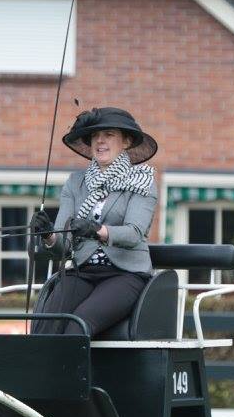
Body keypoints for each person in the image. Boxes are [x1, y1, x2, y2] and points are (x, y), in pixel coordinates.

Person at [30, 107, 158, 337]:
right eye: (95, 136)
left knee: (77, 324)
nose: (100, 141)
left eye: (108, 134)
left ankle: (72, 374)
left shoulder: (142, 181)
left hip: (125, 274)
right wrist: (49, 235)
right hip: (83, 270)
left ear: (126, 141)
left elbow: (134, 234)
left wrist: (97, 230)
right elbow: (65, 245)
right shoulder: (75, 183)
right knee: (46, 322)